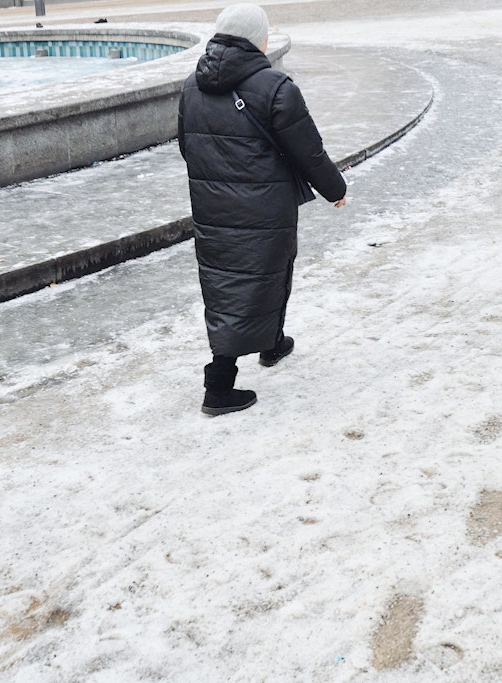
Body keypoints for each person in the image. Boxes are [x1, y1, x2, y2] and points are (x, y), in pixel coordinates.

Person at [178, 3, 347, 416]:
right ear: (259, 39)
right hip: (265, 207)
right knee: (259, 277)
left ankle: (272, 342)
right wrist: (335, 189)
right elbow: (309, 152)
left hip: (212, 205)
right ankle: (218, 387)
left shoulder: (190, 86)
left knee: (230, 283)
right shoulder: (275, 88)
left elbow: (187, 146)